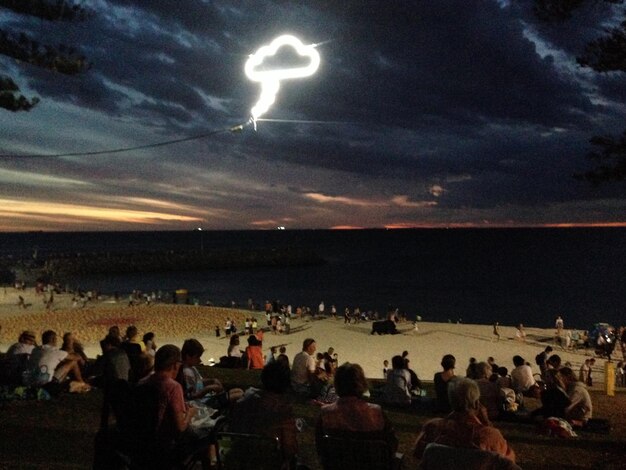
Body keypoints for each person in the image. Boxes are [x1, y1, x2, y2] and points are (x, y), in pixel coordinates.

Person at [413, 378, 515, 463]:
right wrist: (487, 422)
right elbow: (508, 461)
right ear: (476, 404)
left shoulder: (432, 427)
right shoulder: (488, 435)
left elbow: (418, 453)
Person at [316, 362, 398, 465]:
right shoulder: (376, 413)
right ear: (362, 384)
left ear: (336, 385)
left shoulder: (325, 414)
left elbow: (320, 449)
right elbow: (392, 444)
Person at [229, 361, 299, 469]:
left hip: (240, 460)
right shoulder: (282, 411)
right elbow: (289, 448)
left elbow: (233, 429)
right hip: (267, 463)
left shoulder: (244, 402)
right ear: (286, 384)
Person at [178, 339, 243, 407]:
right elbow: (192, 396)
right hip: (203, 402)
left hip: (206, 398)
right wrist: (208, 389)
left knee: (239, 391)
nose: (199, 360)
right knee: (239, 395)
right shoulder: (186, 373)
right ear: (188, 356)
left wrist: (211, 380)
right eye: (197, 357)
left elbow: (198, 381)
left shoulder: (191, 367)